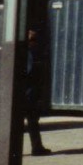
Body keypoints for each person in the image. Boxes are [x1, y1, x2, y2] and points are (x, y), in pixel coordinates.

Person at [25, 26, 52, 156]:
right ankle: (37, 147)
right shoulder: (31, 53)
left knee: (13, 121)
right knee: (32, 121)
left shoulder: (20, 52)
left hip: (21, 92)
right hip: (28, 92)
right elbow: (30, 71)